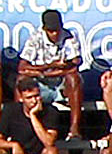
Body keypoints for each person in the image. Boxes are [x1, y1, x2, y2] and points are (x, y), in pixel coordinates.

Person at [17, 9, 85, 139]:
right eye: (51, 31)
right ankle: (21, 129)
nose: (54, 34)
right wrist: (51, 66)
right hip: (40, 84)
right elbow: (22, 68)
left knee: (74, 79)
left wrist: (45, 72)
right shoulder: (35, 38)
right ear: (44, 28)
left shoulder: (69, 37)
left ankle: (74, 129)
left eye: (57, 30)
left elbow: (74, 67)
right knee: (22, 80)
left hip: (61, 84)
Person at [2, 79, 62, 154]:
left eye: (37, 96)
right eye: (29, 98)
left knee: (52, 152)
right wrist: (14, 145)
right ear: (21, 98)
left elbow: (49, 142)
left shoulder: (51, 111)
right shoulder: (10, 110)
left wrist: (33, 116)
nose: (34, 101)